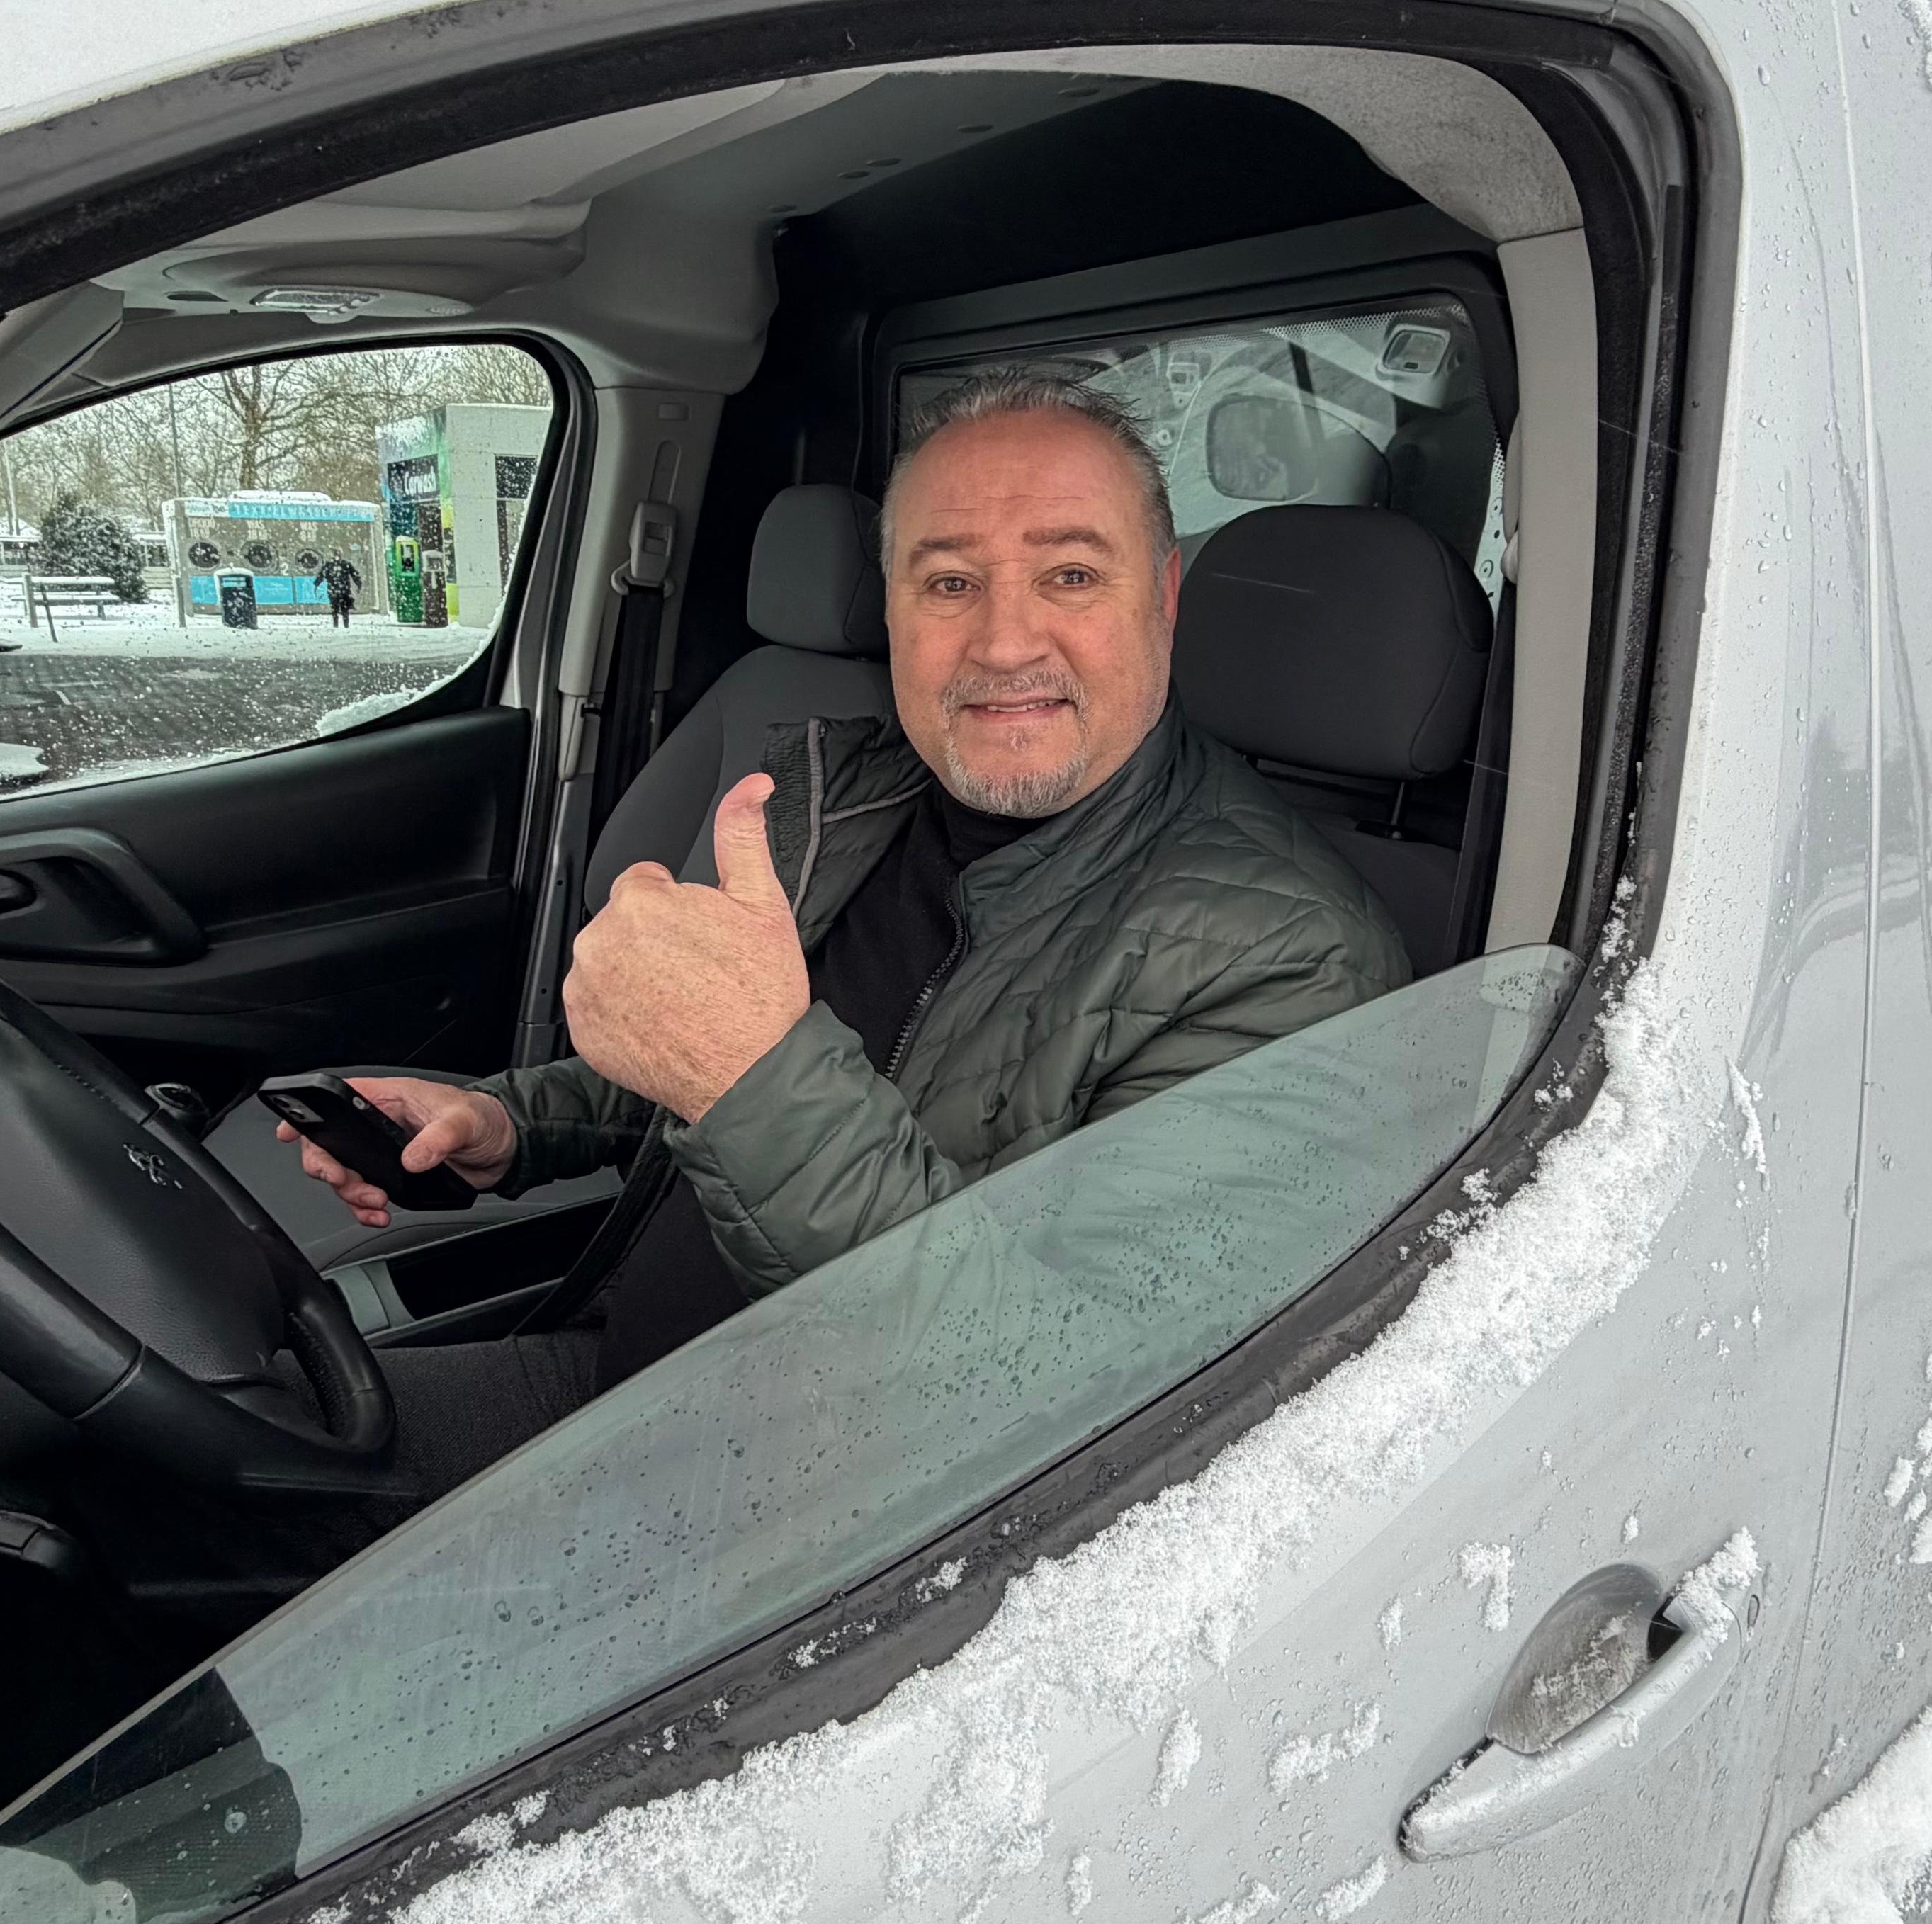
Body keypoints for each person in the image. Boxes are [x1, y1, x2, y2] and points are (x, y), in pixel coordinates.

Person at [278, 373, 1408, 1498]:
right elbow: (709, 1071)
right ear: (891, 607)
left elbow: (1074, 1396)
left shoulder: (1295, 962)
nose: (1006, 643)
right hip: (628, 1384)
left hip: (825, 1528)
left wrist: (746, 1074)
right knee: (221, 1443)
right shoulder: (853, 793)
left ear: (1163, 598)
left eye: (1071, 574)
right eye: (950, 581)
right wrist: (509, 1126)